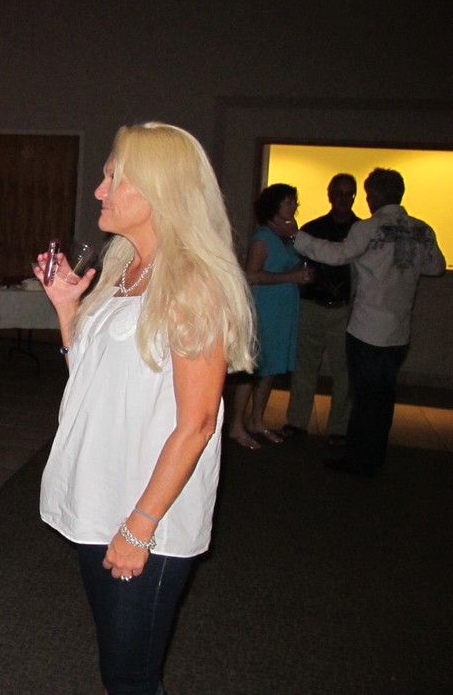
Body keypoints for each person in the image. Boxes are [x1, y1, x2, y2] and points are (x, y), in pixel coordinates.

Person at [35, 122, 254, 695]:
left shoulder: (192, 284)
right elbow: (88, 380)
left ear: (158, 188)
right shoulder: (124, 269)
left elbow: (197, 424)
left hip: (148, 511)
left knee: (130, 676)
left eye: (114, 178)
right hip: (103, 495)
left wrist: (140, 526)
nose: (99, 191)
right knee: (119, 666)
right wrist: (67, 309)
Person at [291, 167, 446, 476]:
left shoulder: (368, 228)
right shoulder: (422, 230)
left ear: (372, 196)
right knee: (384, 397)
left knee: (363, 398)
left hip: (367, 328)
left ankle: (358, 459)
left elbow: (337, 255)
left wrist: (299, 238)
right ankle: (374, 455)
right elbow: (437, 267)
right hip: (399, 330)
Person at [226, 183, 313, 449]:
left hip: (283, 307)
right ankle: (237, 424)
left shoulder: (289, 235)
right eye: (288, 201)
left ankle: (257, 420)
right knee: (254, 367)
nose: (293, 206)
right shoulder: (263, 237)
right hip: (265, 307)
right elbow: (251, 275)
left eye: (294, 201)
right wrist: (291, 277)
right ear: (275, 206)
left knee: (271, 366)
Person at [282, 174, 360, 444]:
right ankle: (297, 422)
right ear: (330, 195)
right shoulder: (313, 229)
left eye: (349, 194)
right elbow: (297, 263)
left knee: (344, 371)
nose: (343, 199)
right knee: (305, 367)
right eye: (339, 193)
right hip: (312, 305)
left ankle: (339, 427)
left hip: (344, 309)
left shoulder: (361, 231)